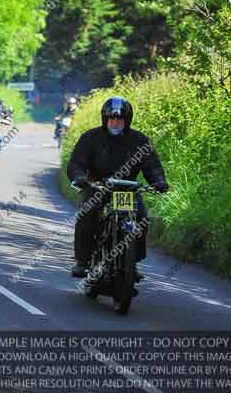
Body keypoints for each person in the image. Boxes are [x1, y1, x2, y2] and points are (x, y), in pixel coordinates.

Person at [66, 96, 169, 278]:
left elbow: (152, 166)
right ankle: (82, 261)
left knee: (141, 218)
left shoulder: (139, 140)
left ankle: (132, 264)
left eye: (120, 119)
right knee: (87, 214)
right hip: (98, 186)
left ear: (127, 120)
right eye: (112, 119)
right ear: (105, 119)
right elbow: (76, 162)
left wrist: (159, 181)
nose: (115, 122)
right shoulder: (90, 138)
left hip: (127, 190)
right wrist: (80, 177)